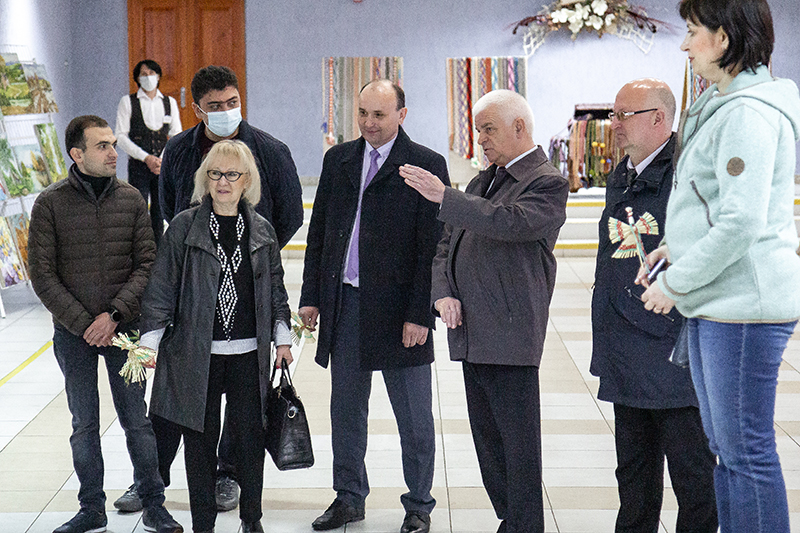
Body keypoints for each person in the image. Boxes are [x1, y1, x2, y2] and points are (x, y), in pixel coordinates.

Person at [638, 0, 800, 531]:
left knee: (745, 452)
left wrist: (675, 284)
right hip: (719, 300)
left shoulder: (749, 113)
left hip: (744, 304)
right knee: (725, 451)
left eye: (692, 31)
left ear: (724, 38)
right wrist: (673, 248)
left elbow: (740, 221)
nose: (685, 45)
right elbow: (710, 201)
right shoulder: (723, 103)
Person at [116, 65, 302, 513]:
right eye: (214, 106)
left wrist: (251, 257)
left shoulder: (271, 150)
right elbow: (169, 207)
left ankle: (227, 475)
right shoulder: (180, 150)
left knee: (242, 409)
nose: (225, 111)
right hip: (190, 294)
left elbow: (291, 213)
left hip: (244, 300)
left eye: (232, 102)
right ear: (197, 109)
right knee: (176, 398)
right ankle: (151, 480)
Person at [402, 89, 569, 533]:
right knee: (489, 445)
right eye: (478, 130)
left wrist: (446, 196)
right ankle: (509, 520)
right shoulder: (482, 181)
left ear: (520, 127)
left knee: (518, 448)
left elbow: (511, 222)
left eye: (489, 129)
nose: (482, 139)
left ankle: (525, 525)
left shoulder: (546, 182)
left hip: (510, 333)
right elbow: (445, 245)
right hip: (471, 331)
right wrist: (443, 294)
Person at [298, 79, 448, 533]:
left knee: (414, 417)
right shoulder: (339, 160)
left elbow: (432, 248)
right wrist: (311, 296)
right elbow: (320, 231)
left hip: (400, 311)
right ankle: (348, 497)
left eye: (379, 115)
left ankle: (419, 504)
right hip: (345, 304)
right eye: (362, 113)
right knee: (346, 410)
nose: (368, 123)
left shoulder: (425, 164)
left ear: (402, 114)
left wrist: (420, 313)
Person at [27, 115, 182, 533]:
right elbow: (42, 274)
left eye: (113, 144)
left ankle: (153, 503)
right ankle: (91, 508)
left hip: (124, 329)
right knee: (84, 423)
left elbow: (148, 264)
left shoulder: (131, 199)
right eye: (102, 146)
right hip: (73, 333)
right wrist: (85, 324)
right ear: (77, 154)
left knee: (137, 420)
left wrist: (113, 316)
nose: (114, 153)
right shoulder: (50, 203)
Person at [138, 140, 293, 533]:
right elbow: (161, 288)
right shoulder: (184, 228)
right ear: (204, 179)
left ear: (247, 181)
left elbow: (276, 290)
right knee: (200, 444)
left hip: (248, 354)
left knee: (250, 441)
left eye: (232, 175)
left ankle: (252, 519)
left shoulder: (262, 230)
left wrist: (282, 339)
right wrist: (148, 343)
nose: (223, 182)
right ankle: (203, 524)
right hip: (196, 354)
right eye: (215, 174)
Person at [591, 78, 717, 532]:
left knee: (693, 478)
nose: (614, 124)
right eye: (614, 114)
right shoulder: (623, 173)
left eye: (624, 115)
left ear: (659, 119)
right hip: (625, 349)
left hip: (672, 352)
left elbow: (705, 248)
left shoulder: (689, 172)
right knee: (634, 477)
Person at [115, 59, 182, 247]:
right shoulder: (128, 102)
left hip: (162, 166)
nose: (148, 77)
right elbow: (120, 136)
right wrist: (146, 158)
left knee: (161, 211)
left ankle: (159, 251)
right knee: (138, 209)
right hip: (139, 164)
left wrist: (161, 160)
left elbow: (176, 134)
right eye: (144, 74)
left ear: (158, 76)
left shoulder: (170, 102)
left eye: (152, 73)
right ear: (137, 78)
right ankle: (140, 250)